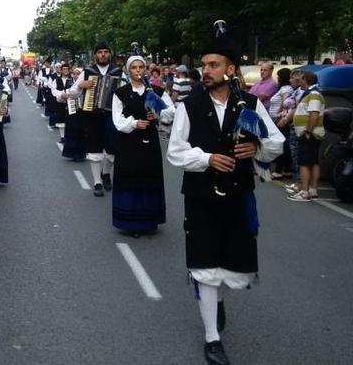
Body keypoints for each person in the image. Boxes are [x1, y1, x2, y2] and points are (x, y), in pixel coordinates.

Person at [167, 29, 283, 365]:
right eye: (204, 65)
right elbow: (176, 152)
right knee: (205, 266)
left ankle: (215, 299)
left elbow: (274, 143)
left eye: (213, 65)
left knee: (231, 265)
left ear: (230, 70)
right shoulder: (189, 105)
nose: (206, 71)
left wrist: (258, 147)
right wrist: (206, 159)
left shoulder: (250, 104)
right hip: (201, 197)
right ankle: (212, 338)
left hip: (237, 195)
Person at [111, 56, 174, 237]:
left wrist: (158, 114)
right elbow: (117, 120)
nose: (138, 71)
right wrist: (134, 123)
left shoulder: (155, 91)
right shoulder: (120, 93)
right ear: (128, 71)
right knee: (132, 178)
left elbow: (171, 111)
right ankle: (131, 222)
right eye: (134, 68)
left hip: (149, 141)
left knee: (149, 177)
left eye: (141, 67)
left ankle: (149, 220)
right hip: (128, 143)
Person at [68, 41, 124, 196]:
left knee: (112, 148)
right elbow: (73, 93)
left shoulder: (118, 72)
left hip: (112, 114)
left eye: (106, 52)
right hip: (91, 115)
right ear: (95, 55)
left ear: (109, 54)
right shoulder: (87, 72)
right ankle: (97, 182)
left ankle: (106, 173)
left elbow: (126, 92)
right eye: (100, 52)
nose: (103, 54)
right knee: (94, 147)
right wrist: (81, 86)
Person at [287, 71, 325, 202]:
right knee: (313, 162)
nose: (299, 82)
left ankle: (304, 192)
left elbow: (314, 115)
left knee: (304, 163)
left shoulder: (313, 94)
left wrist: (308, 132)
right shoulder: (310, 94)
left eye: (301, 80)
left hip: (309, 134)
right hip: (312, 134)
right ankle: (313, 190)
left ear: (305, 80)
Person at [268, 68, 294, 180]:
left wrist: (280, 114)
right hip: (278, 118)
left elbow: (285, 103)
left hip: (280, 119)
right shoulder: (284, 88)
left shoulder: (286, 88)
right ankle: (287, 169)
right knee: (285, 145)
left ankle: (279, 170)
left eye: (279, 76)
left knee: (281, 144)